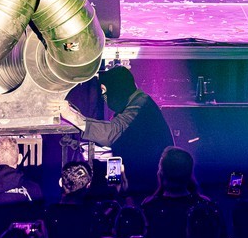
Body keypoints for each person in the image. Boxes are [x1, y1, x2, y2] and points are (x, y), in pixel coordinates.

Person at [55, 66, 174, 195]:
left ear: (117, 88)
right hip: (138, 178)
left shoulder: (141, 104)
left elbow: (111, 133)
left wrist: (71, 116)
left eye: (104, 90)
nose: (103, 96)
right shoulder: (131, 104)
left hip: (147, 185)